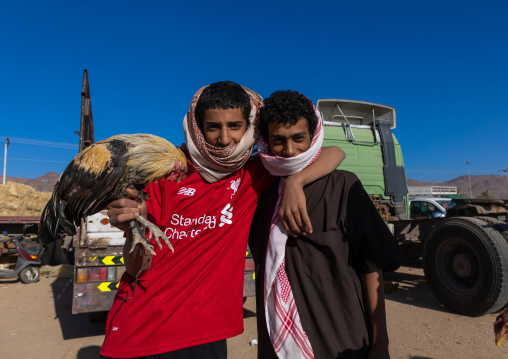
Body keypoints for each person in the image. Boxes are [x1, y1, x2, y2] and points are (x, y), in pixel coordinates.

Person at [99, 81, 345, 359]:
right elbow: (137, 268)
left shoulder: (252, 175)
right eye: (213, 127)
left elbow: (334, 152)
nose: (225, 139)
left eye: (235, 126)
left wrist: (296, 181)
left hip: (204, 336)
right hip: (137, 334)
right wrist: (132, 229)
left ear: (249, 127)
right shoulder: (167, 178)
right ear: (197, 127)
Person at [248, 90, 402, 359]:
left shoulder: (343, 186)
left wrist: (381, 345)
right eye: (278, 141)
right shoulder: (259, 195)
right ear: (265, 141)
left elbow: (371, 266)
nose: (290, 150)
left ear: (313, 135)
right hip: (275, 345)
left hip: (340, 343)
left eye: (299, 138)